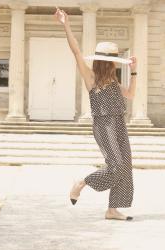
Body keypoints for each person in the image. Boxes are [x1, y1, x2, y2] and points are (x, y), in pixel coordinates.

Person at [55, 8, 137, 221]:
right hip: (104, 124)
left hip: (119, 123)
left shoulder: (114, 81)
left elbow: (130, 94)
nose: (113, 65)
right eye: (111, 62)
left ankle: (112, 210)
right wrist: (66, 24)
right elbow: (75, 51)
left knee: (125, 165)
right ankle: (81, 183)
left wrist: (134, 72)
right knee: (116, 166)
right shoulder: (91, 77)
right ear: (105, 62)